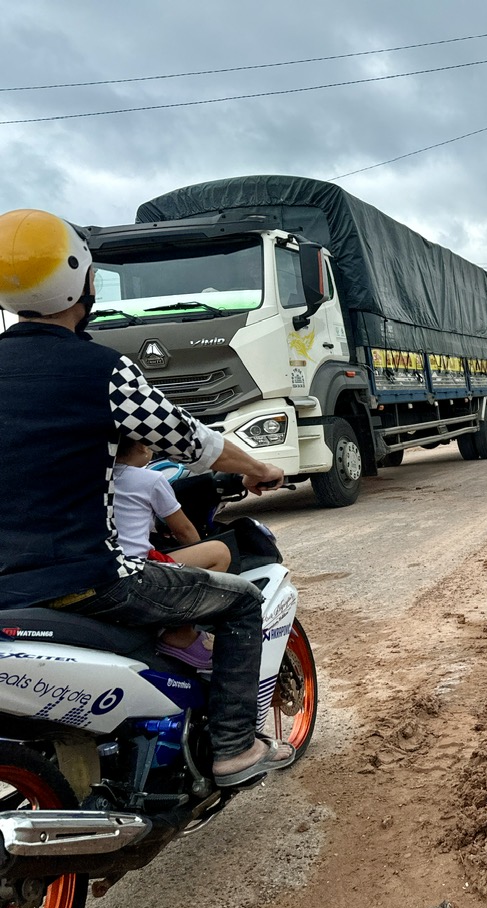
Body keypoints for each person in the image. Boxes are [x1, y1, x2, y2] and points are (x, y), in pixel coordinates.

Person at [0, 208, 291, 788]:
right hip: (87, 581)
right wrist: (259, 468)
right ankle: (233, 747)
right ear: (83, 279)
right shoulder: (103, 371)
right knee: (237, 604)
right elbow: (192, 441)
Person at [114, 434, 233, 670]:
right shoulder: (151, 479)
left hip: (107, 565)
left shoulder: (95, 480)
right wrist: (199, 548)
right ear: (140, 446)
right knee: (219, 553)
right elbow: (184, 529)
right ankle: (180, 631)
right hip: (140, 567)